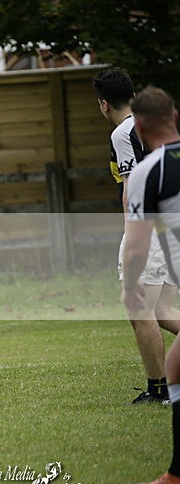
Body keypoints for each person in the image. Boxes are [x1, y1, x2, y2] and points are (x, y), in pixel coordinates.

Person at [93, 67, 180, 404]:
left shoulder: (122, 133)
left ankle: (159, 389)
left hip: (150, 229)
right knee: (163, 310)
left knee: (140, 310)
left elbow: (132, 189)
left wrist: (133, 241)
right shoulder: (161, 129)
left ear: (104, 104)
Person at [122, 86, 180, 484]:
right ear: (174, 115)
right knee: (176, 364)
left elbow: (138, 244)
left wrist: (129, 288)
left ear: (139, 127)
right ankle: (176, 477)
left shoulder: (149, 171)